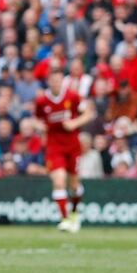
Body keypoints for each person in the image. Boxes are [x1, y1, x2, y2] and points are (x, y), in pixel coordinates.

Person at [34, 67, 95, 232]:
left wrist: (74, 123)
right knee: (59, 181)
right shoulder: (42, 101)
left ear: (63, 81)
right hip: (54, 147)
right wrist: (39, 126)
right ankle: (64, 219)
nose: (56, 83)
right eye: (53, 80)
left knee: (74, 185)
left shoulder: (72, 96)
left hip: (72, 146)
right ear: (48, 81)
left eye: (59, 80)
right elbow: (37, 119)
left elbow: (89, 113)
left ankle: (74, 213)